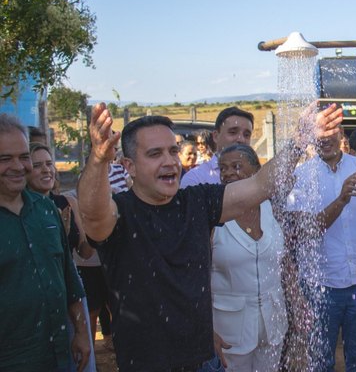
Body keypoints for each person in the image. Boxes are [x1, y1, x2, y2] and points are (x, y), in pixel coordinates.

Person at [77, 102, 342, 371]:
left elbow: (261, 185)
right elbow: (92, 215)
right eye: (155, 154)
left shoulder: (197, 201)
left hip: (203, 359)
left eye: (172, 151)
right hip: (145, 362)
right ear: (129, 166)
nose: (169, 161)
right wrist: (98, 159)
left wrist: (299, 141)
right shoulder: (120, 213)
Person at [285, 129, 356, 371]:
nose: (324, 140)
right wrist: (342, 199)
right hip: (319, 289)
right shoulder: (300, 176)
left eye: (330, 133)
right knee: (320, 361)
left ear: (341, 135)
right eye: (318, 135)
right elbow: (306, 231)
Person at [0, 114, 90, 371]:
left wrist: (82, 333)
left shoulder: (46, 210)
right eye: (5, 158)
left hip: (58, 355)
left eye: (23, 156)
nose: (18, 166)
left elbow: (68, 275)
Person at [211, 144, 287, 371]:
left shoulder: (270, 208)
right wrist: (207, 330)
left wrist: (297, 300)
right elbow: (196, 278)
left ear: (257, 172)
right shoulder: (212, 214)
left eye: (236, 166)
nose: (228, 173)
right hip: (229, 332)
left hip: (272, 323)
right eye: (223, 168)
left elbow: (282, 263)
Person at [182, 107, 254, 187]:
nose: (241, 139)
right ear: (216, 136)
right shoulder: (196, 179)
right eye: (233, 132)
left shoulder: (256, 176)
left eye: (246, 135)